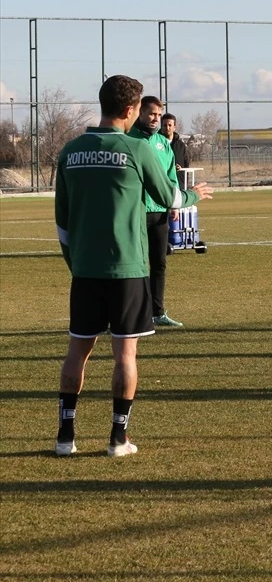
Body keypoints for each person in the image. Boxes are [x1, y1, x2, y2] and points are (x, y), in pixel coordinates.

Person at [54, 75, 212, 457]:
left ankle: (64, 437)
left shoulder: (70, 151)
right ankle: (118, 439)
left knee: (78, 350)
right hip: (127, 270)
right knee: (125, 355)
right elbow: (168, 195)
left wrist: (74, 263)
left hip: (86, 270)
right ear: (130, 110)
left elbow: (62, 221)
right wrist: (195, 194)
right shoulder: (136, 149)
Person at [128, 96, 183, 327]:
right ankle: (133, 314)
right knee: (134, 265)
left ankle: (157, 312)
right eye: (151, 114)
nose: (156, 119)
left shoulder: (163, 144)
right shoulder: (128, 139)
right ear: (140, 113)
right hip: (136, 212)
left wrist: (174, 203)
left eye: (159, 115)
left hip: (160, 212)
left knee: (158, 262)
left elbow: (171, 176)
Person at [161, 112, 191, 184]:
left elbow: (186, 164)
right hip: (162, 184)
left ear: (174, 127)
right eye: (165, 125)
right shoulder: (155, 143)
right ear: (161, 126)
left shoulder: (181, 146)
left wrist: (180, 170)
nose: (167, 128)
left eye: (170, 125)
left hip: (178, 184)